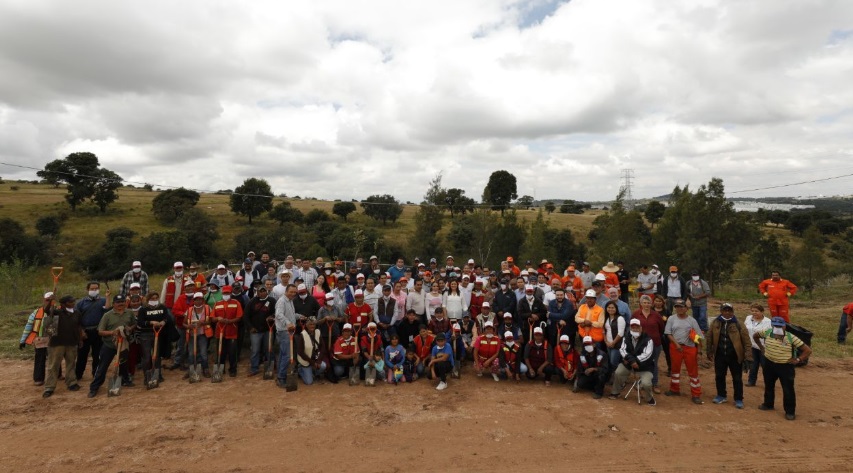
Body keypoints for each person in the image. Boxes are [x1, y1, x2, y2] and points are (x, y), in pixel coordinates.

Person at [754, 317, 812, 420]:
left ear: (784, 326)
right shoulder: (766, 332)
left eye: (780, 326)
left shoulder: (791, 337)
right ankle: (768, 404)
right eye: (775, 325)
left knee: (788, 389)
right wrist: (761, 348)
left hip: (785, 366)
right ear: (772, 325)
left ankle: (790, 412)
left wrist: (798, 359)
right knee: (768, 385)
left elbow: (807, 350)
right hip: (769, 363)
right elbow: (755, 336)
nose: (777, 328)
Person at [87, 295, 136, 397]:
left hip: (123, 344)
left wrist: (130, 328)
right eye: (118, 302)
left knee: (123, 364)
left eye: (122, 301)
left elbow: (134, 324)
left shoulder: (129, 313)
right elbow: (100, 331)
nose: (120, 304)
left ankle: (125, 380)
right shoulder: (107, 315)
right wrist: (113, 332)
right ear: (113, 304)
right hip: (109, 345)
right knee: (102, 366)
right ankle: (94, 387)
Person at [706, 303, 751, 409]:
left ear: (733, 311)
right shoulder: (715, 322)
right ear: (721, 311)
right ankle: (721, 395)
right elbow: (709, 337)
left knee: (737, 378)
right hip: (720, 355)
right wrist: (709, 351)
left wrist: (748, 356)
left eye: (729, 310)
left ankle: (738, 399)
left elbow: (746, 340)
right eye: (725, 310)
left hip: (735, 355)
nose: (727, 312)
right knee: (719, 376)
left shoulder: (738, 323)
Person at [664, 299, 704, 405]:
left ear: (687, 308)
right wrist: (676, 345)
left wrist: (699, 351)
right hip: (675, 347)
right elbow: (668, 333)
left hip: (689, 348)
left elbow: (698, 336)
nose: (679, 309)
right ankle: (674, 389)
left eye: (682, 307)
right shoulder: (671, 319)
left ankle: (696, 394)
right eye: (677, 307)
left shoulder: (692, 320)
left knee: (693, 371)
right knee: (675, 369)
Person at [42, 295, 83, 398]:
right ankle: (49, 387)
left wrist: (80, 339)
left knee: (71, 364)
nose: (73, 303)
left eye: (74, 301)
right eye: (70, 302)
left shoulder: (77, 313)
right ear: (63, 304)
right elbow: (46, 311)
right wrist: (50, 301)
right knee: (53, 366)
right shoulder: (57, 312)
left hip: (72, 343)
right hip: (57, 343)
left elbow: (79, 327)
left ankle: (72, 383)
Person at [610, 319, 656, 406]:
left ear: (641, 328)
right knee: (618, 372)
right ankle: (615, 392)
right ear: (630, 328)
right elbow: (622, 350)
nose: (635, 329)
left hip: (644, 366)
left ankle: (649, 397)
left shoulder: (648, 339)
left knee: (646, 383)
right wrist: (632, 362)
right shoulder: (626, 337)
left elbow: (647, 355)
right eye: (633, 327)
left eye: (637, 327)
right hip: (629, 364)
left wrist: (634, 361)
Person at [75, 281, 111, 382]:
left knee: (97, 354)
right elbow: (76, 319)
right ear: (87, 290)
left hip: (98, 331)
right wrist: (81, 331)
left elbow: (107, 311)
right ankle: (78, 374)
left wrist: (108, 297)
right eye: (92, 289)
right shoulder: (81, 303)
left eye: (96, 289)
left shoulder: (103, 300)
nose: (94, 291)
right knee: (82, 354)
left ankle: (96, 374)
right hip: (85, 332)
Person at [19, 292, 55, 386]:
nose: (49, 302)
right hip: (40, 340)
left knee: (55, 358)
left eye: (51, 300)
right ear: (43, 300)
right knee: (40, 358)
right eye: (47, 300)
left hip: (54, 339)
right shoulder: (35, 313)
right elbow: (28, 327)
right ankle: (38, 378)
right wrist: (23, 340)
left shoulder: (59, 311)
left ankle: (57, 375)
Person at [632, 295, 665, 394]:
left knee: (653, 363)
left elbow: (661, 329)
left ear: (651, 304)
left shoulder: (657, 315)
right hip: (641, 344)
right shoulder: (636, 314)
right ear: (641, 304)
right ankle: (642, 382)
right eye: (644, 302)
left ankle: (654, 383)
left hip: (655, 344)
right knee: (642, 362)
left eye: (648, 303)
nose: (646, 304)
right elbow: (632, 327)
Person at [136, 292, 170, 388]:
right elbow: (140, 322)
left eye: (156, 298)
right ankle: (147, 376)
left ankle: (157, 375)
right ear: (148, 299)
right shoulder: (143, 309)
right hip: (145, 334)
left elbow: (166, 317)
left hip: (158, 334)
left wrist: (163, 322)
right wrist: (150, 322)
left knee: (157, 356)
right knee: (147, 357)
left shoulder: (162, 307)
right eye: (152, 298)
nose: (154, 300)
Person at [212, 286, 244, 378]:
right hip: (219, 332)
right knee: (220, 352)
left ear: (231, 293)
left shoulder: (236, 303)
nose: (226, 295)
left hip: (232, 332)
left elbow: (239, 317)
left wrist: (230, 321)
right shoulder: (217, 304)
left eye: (227, 293)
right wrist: (218, 318)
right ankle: (220, 368)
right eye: (224, 293)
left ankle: (233, 370)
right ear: (222, 294)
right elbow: (213, 318)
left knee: (232, 352)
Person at [245, 285, 276, 377]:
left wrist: (273, 316)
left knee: (269, 349)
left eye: (264, 291)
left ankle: (271, 366)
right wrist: (250, 327)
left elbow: (277, 312)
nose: (262, 293)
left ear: (267, 291)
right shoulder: (252, 302)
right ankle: (254, 368)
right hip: (255, 331)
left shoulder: (272, 301)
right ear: (257, 292)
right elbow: (246, 316)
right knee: (255, 350)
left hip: (268, 330)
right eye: (260, 291)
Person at [274, 284, 298, 388]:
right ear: (286, 291)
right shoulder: (282, 301)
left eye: (294, 292)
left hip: (288, 331)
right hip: (284, 332)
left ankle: (280, 376)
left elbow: (290, 314)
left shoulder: (290, 301)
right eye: (291, 292)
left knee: (283, 355)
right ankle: (281, 378)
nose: (293, 294)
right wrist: (288, 323)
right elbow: (279, 314)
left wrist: (299, 316)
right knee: (287, 356)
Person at [185, 293, 212, 378]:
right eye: (196, 299)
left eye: (200, 299)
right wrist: (188, 326)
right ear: (194, 300)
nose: (198, 301)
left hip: (202, 334)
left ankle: (205, 369)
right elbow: (184, 323)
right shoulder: (189, 310)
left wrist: (203, 323)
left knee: (203, 353)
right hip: (192, 334)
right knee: (191, 353)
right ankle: (191, 370)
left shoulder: (207, 308)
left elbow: (211, 321)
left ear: (203, 300)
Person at [745, 304, 772, 387]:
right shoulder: (748, 318)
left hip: (764, 347)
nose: (754, 313)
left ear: (762, 312)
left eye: (756, 311)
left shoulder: (768, 321)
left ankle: (769, 383)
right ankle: (751, 381)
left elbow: (769, 334)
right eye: (752, 311)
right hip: (752, 346)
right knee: (753, 364)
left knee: (765, 365)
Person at [295, 317, 326, 385]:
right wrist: (312, 363)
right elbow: (300, 352)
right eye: (310, 324)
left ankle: (312, 373)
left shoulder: (318, 332)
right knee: (309, 382)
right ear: (306, 325)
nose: (312, 326)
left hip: (314, 359)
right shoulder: (302, 335)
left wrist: (318, 361)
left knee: (323, 366)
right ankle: (300, 370)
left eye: (313, 324)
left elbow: (323, 347)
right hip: (305, 360)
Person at [603, 301, 626, 379]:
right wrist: (606, 341)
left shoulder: (620, 318)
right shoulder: (606, 318)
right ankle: (615, 377)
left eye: (612, 307)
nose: (610, 309)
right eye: (609, 307)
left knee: (614, 362)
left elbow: (620, 333)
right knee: (611, 361)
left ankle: (619, 378)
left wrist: (613, 343)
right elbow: (604, 331)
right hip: (608, 343)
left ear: (616, 309)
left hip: (617, 345)